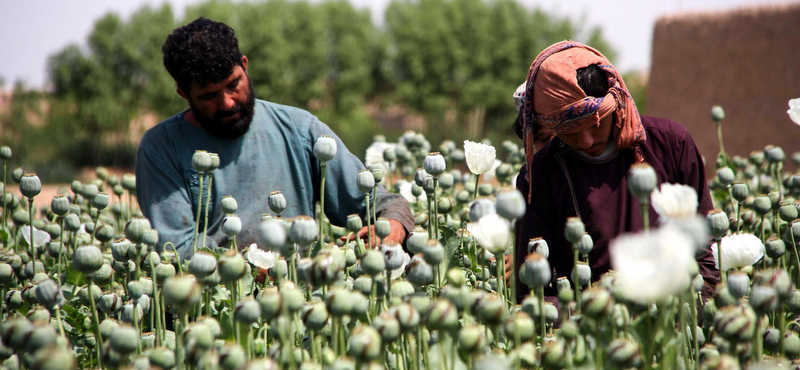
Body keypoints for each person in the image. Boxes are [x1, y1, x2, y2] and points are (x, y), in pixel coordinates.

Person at [135, 17, 414, 260]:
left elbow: (378, 202)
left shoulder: (300, 130)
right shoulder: (162, 148)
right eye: (209, 96)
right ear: (184, 94)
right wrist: (255, 269)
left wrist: (392, 225)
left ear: (245, 66)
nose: (228, 103)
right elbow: (178, 248)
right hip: (215, 306)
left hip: (300, 296)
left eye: (234, 85)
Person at [510, 41, 719, 301]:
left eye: (595, 124)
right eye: (570, 132)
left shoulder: (671, 144)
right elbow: (535, 293)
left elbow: (705, 256)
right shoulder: (540, 175)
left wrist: (687, 312)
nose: (586, 141)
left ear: (615, 99)